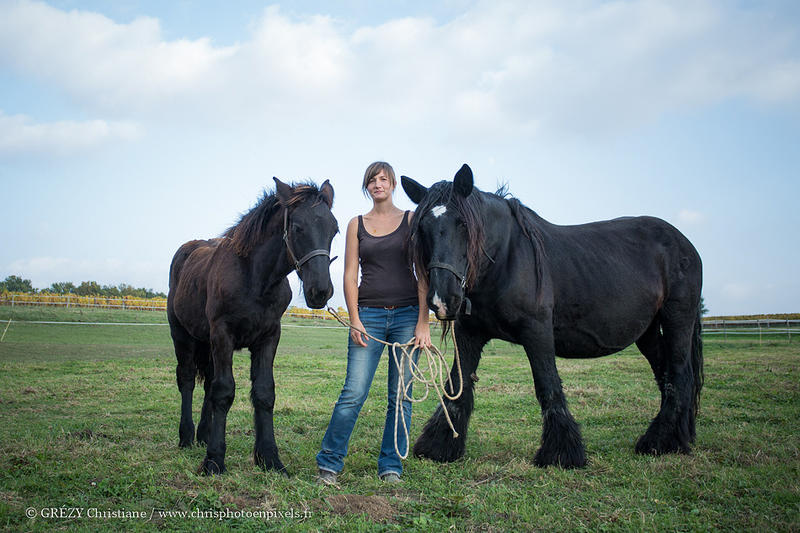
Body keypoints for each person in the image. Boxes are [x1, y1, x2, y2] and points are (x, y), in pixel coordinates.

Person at [316, 161, 432, 485]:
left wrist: (424, 322)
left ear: (392, 183)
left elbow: (423, 273)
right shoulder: (356, 224)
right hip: (368, 315)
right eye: (372, 180)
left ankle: (391, 466)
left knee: (401, 395)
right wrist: (355, 319)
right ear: (367, 186)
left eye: (383, 178)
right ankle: (329, 463)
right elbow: (350, 274)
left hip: (409, 315)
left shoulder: (411, 220)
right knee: (353, 392)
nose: (377, 184)